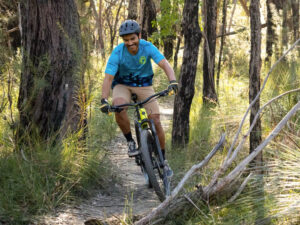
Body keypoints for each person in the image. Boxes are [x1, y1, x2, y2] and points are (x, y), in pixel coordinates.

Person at [100, 20, 177, 176]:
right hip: (122, 85)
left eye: (133, 39)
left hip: (144, 85)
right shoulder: (118, 52)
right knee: (119, 106)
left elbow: (164, 64)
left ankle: (163, 161)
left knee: (155, 120)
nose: (130, 43)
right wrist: (104, 100)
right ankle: (130, 141)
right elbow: (108, 78)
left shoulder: (147, 47)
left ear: (139, 36)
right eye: (126, 40)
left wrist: (173, 81)